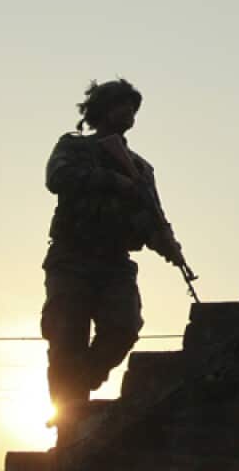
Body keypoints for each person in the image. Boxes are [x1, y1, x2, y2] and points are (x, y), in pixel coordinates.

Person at [40, 79, 183, 443]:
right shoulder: (75, 147)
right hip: (71, 258)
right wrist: (113, 181)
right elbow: (57, 178)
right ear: (102, 109)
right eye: (123, 107)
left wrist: (167, 244)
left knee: (124, 325)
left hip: (114, 262)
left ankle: (79, 385)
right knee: (65, 337)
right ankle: (67, 417)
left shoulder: (141, 168)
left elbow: (151, 216)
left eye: (133, 109)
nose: (129, 115)